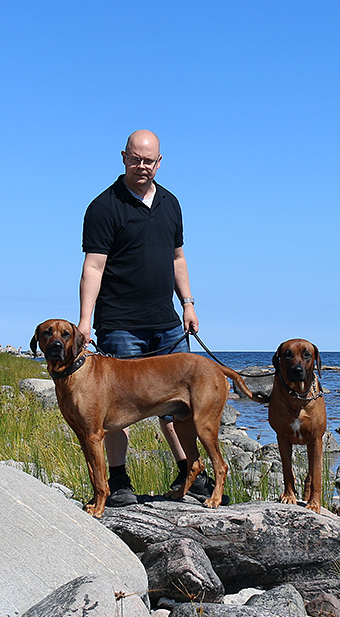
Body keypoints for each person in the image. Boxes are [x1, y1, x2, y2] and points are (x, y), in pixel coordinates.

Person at [79, 129, 214, 506]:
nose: (142, 166)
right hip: (121, 326)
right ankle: (120, 482)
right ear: (123, 157)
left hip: (167, 325)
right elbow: (93, 266)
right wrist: (85, 322)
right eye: (136, 159)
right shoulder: (104, 207)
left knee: (177, 406)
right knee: (114, 412)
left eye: (149, 161)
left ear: (159, 162)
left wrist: (187, 303)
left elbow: (177, 258)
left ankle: (191, 472)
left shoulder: (171, 203)